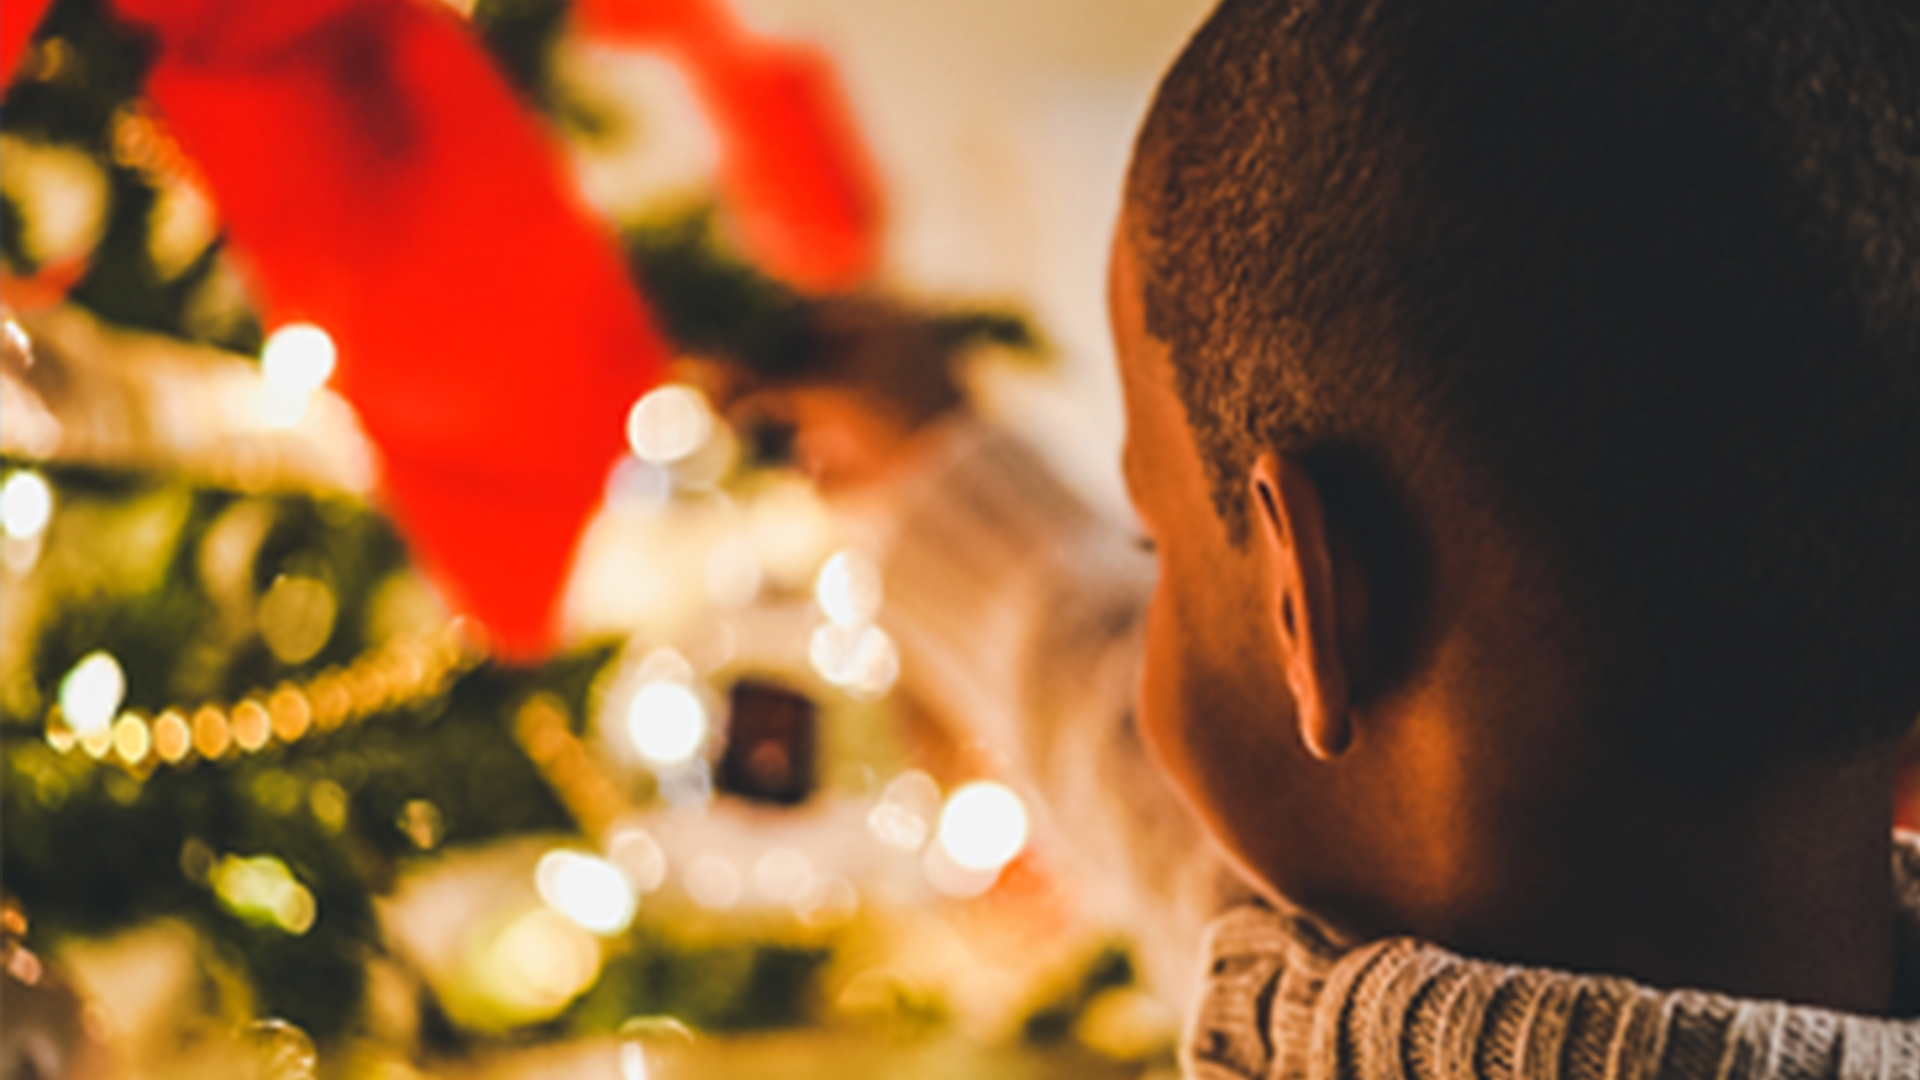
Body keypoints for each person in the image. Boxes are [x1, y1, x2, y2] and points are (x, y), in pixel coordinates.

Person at [715, 0, 1920, 1075]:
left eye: (1161, 550)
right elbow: (1151, 784)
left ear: (1313, 603)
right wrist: (932, 458)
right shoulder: (1386, 961)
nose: (1144, 616)